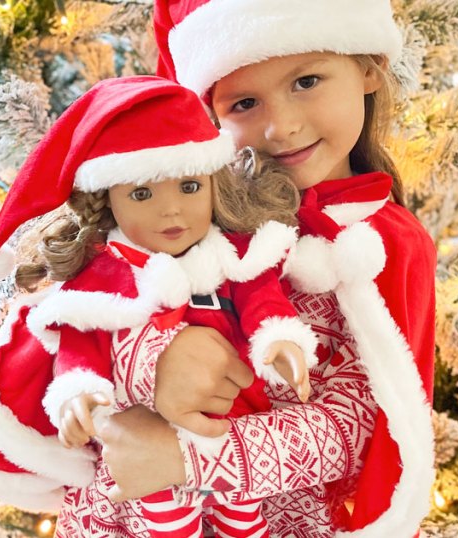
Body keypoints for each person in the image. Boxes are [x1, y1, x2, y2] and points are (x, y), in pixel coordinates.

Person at [86, 0, 438, 536]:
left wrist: (189, 456)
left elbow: (361, 428)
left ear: (369, 67)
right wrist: (157, 361)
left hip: (277, 518)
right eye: (245, 102)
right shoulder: (183, 209)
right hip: (134, 508)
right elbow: (88, 318)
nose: (281, 127)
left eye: (307, 82)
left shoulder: (384, 245)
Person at [0, 76, 318, 538]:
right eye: (142, 194)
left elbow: (263, 300)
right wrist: (77, 395)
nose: (171, 212)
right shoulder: (101, 281)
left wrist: (280, 339)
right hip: (142, 436)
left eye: (188, 186)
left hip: (229, 424)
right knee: (162, 517)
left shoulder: (232, 256)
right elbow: (79, 350)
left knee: (244, 515)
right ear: (107, 203)